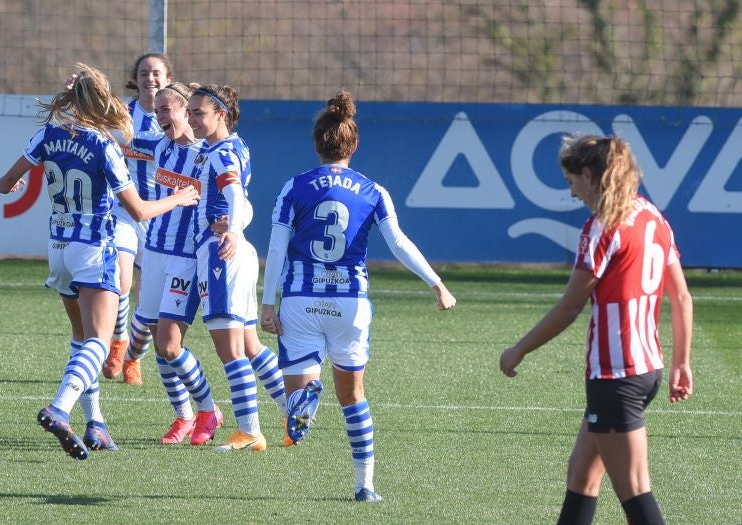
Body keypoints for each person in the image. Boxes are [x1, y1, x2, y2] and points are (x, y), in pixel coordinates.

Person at [260, 90, 457, 501]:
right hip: (349, 303)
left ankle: (304, 402)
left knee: (297, 393)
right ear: (354, 144)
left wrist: (266, 302)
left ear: (317, 143)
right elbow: (399, 242)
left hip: (300, 299)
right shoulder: (373, 191)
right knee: (352, 396)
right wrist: (436, 282)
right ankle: (365, 485)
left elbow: (277, 247)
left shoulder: (294, 187)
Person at [0, 63, 199, 460]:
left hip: (58, 250)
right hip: (94, 248)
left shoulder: (47, 134)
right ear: (102, 101)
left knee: (80, 339)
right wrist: (180, 197)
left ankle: (97, 423)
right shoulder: (103, 145)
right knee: (99, 343)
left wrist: (18, 182)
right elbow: (138, 211)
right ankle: (59, 408)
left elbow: (5, 184)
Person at [499, 135, 694, 525]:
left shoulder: (602, 227)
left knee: (636, 493)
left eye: (571, 182)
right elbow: (683, 297)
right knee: (582, 476)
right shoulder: (652, 216)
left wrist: (519, 349)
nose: (572, 193)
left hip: (615, 377)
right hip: (645, 369)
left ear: (589, 175)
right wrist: (681, 362)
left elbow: (571, 307)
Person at [129, 81, 221, 446]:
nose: (160, 115)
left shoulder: (209, 153)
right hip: (153, 252)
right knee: (157, 339)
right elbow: (118, 141)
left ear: (187, 112)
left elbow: (237, 195)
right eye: (158, 111)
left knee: (169, 345)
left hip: (185, 259)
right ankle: (182, 416)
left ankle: (209, 409)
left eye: (168, 109)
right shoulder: (159, 146)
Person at [187, 84, 277, 451]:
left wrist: (234, 231)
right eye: (189, 112)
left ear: (221, 114)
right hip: (237, 251)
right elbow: (243, 199)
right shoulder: (235, 146)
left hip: (221, 251)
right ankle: (292, 408)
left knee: (230, 348)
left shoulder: (221, 153)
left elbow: (236, 194)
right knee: (251, 343)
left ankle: (250, 431)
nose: (191, 120)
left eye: (199, 113)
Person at [101, 52, 174, 385]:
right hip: (126, 210)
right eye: (144, 73)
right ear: (136, 78)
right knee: (121, 281)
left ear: (168, 78)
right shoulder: (121, 113)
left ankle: (134, 357)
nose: (151, 78)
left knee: (150, 298)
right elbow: (95, 130)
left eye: (157, 73)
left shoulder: (175, 116)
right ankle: (117, 344)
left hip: (161, 214)